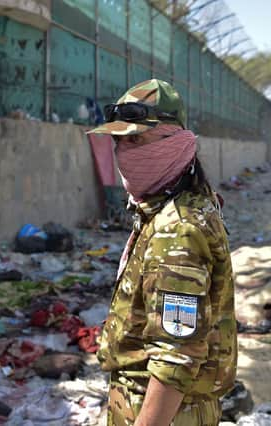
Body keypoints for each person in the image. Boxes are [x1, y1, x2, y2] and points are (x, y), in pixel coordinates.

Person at [88, 79, 237, 426]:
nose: (125, 153)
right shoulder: (172, 209)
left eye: (136, 140)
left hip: (165, 413)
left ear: (176, 143)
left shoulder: (177, 230)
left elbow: (177, 355)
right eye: (119, 142)